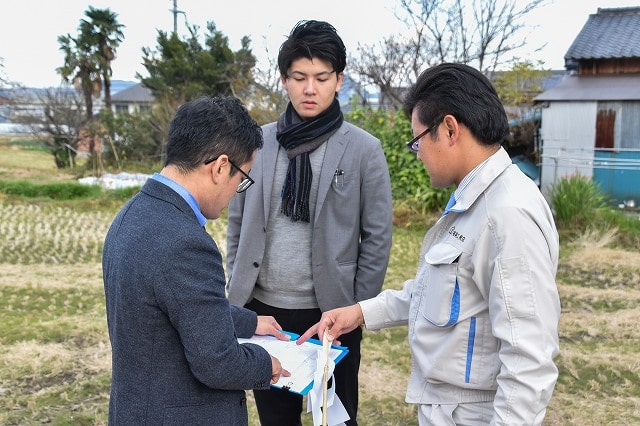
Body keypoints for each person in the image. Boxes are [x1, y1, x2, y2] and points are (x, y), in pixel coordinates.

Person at [299, 63, 561, 426]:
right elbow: (438, 292)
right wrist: (359, 313)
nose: (416, 152)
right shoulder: (473, 199)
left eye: (417, 139)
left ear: (450, 129)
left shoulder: (507, 214)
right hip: (447, 406)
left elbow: (528, 361)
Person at [226, 20, 393, 426]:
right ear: (284, 80)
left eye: (321, 77)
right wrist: (239, 289)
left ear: (339, 79)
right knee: (275, 419)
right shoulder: (257, 143)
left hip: (331, 315)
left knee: (336, 418)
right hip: (265, 314)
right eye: (299, 77)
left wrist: (357, 308)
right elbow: (236, 220)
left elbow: (377, 236)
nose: (309, 88)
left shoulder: (363, 150)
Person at [102, 95, 290, 425]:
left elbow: (177, 305)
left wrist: (248, 322)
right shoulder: (187, 243)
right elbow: (217, 363)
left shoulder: (131, 214)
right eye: (241, 178)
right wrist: (266, 363)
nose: (236, 191)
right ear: (220, 167)